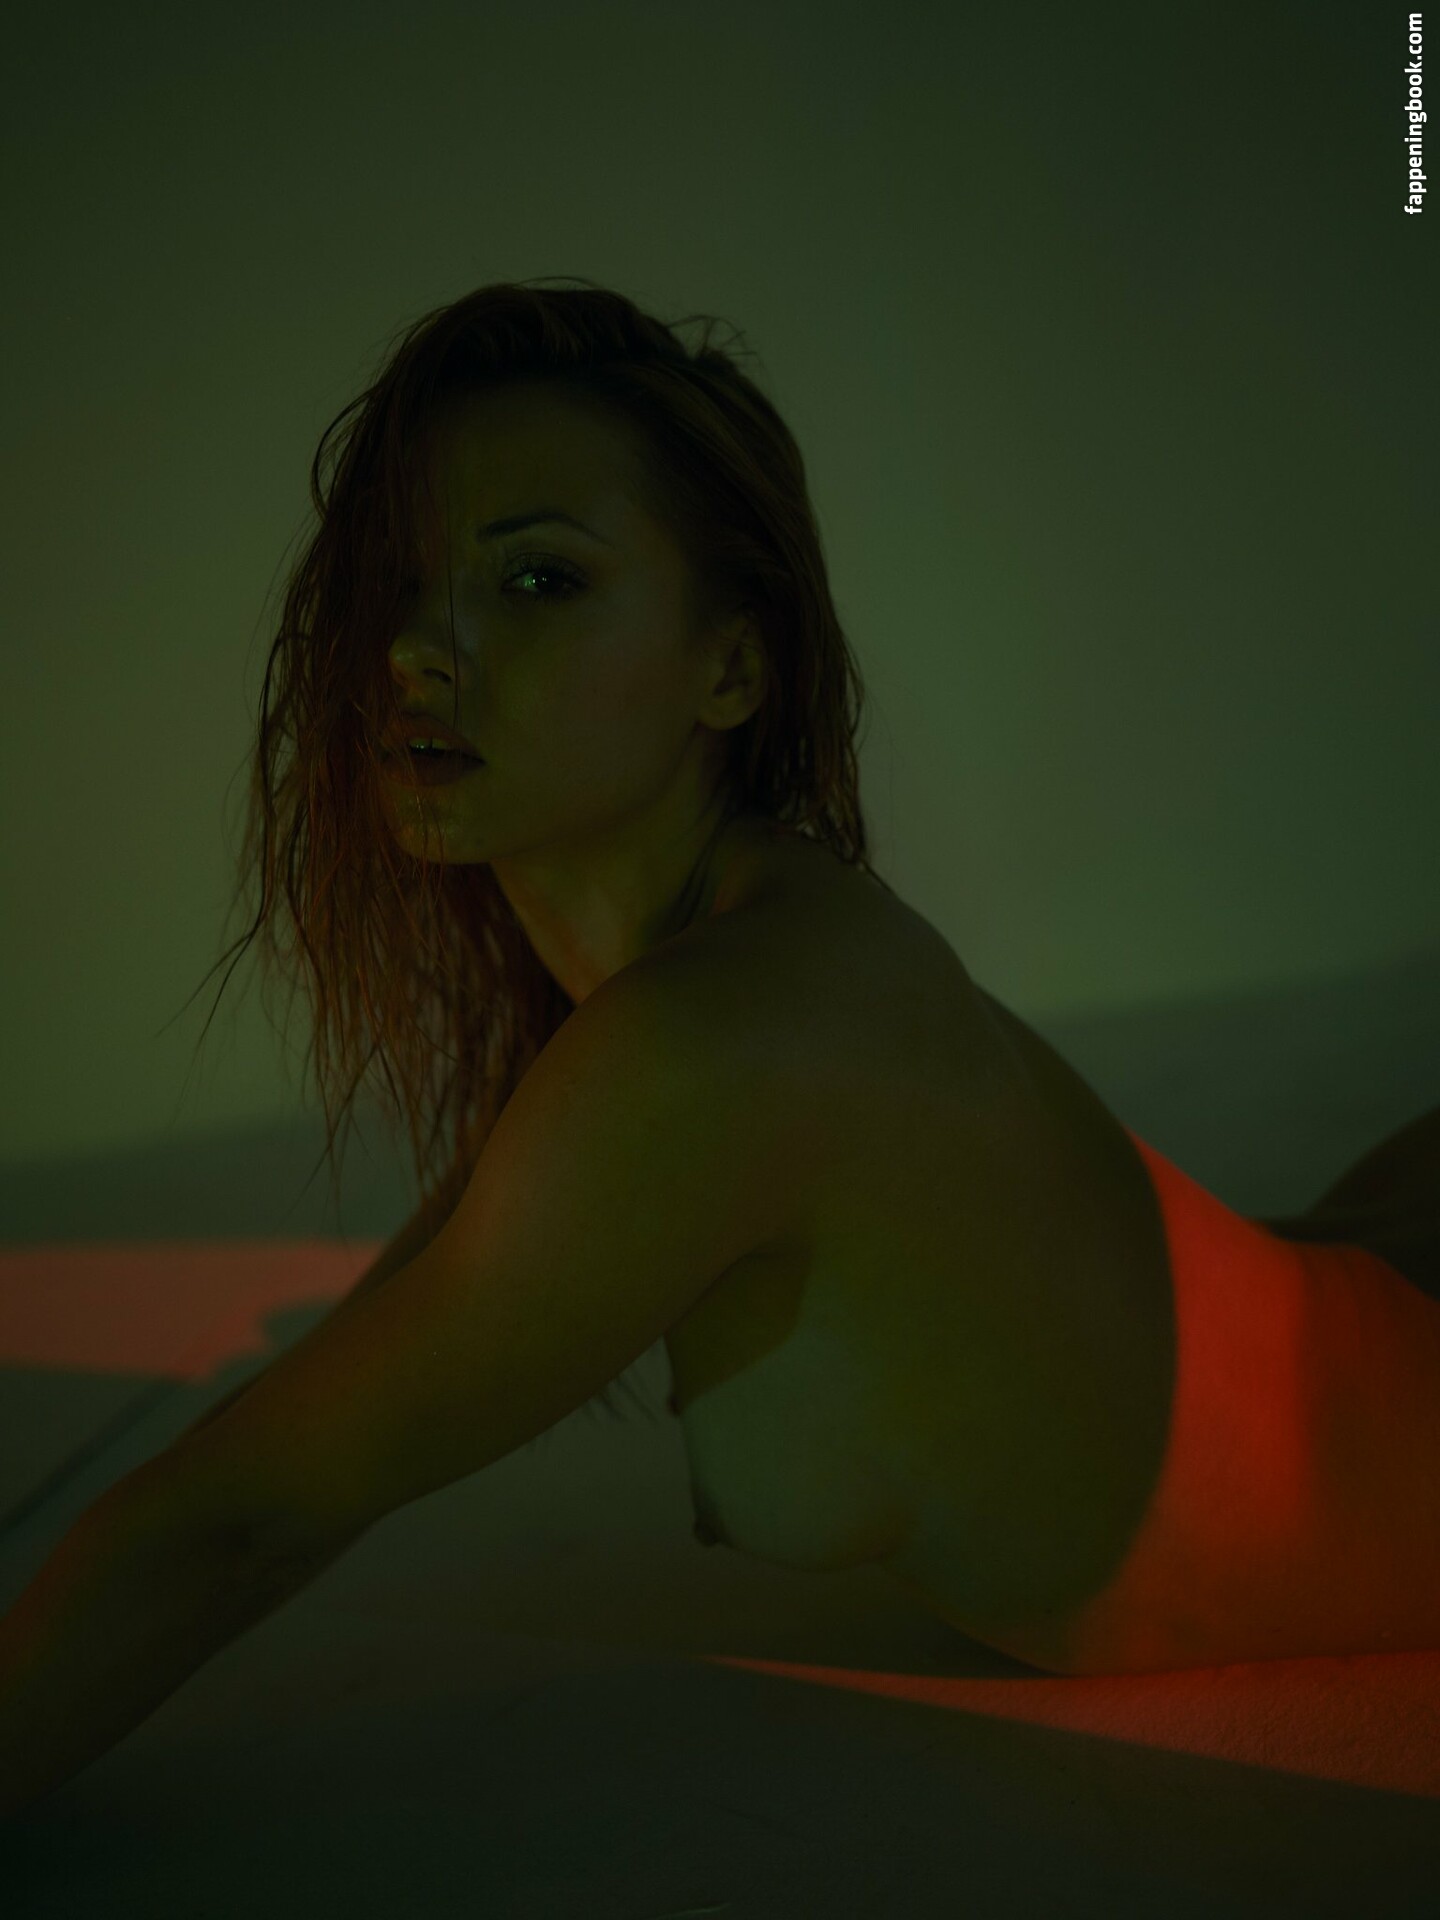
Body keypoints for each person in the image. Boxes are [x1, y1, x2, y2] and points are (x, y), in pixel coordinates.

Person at [5, 282, 1438, 1816]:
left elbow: (246, 1520)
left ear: (731, 671)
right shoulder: (689, 990)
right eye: (399, 583)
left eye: (538, 579)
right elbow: (317, 1412)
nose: (419, 647)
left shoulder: (714, 1044)